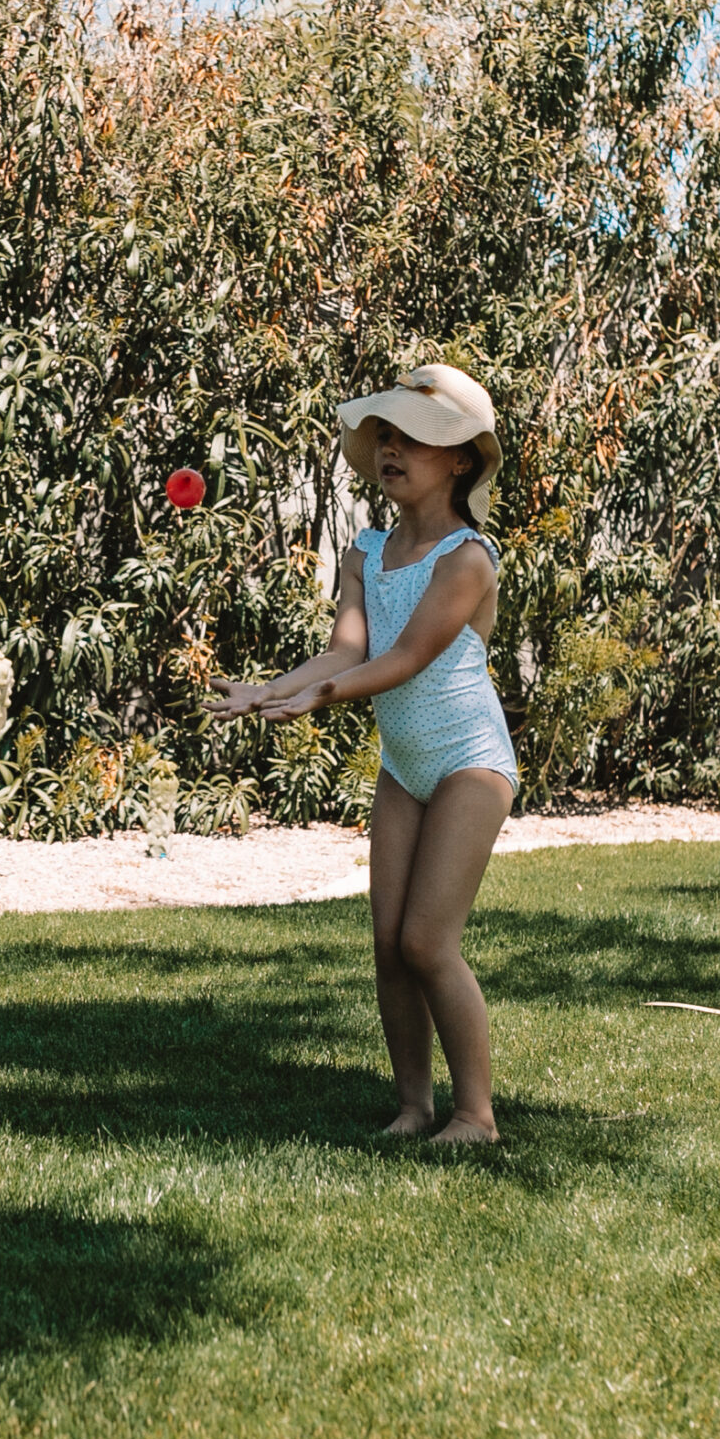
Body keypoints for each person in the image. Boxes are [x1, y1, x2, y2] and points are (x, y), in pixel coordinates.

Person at [209, 365, 516, 1144]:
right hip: (404, 766)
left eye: (415, 437)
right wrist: (271, 688)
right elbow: (346, 648)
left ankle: (474, 1115)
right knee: (386, 944)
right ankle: (413, 1107)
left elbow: (405, 657)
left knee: (426, 941)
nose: (391, 448)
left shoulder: (465, 558)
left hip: (467, 762)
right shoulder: (366, 550)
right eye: (384, 434)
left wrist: (323, 697)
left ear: (460, 459)